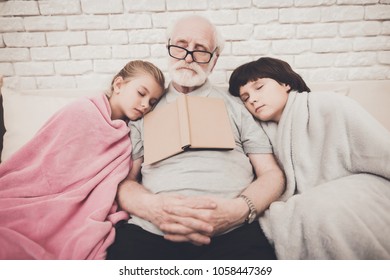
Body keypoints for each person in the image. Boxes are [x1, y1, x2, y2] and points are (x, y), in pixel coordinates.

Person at [107, 15, 285, 260]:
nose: (188, 57)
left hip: (232, 232)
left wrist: (238, 210)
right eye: (180, 45)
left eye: (200, 50)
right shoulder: (144, 107)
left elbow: (272, 174)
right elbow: (125, 182)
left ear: (214, 60)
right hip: (151, 232)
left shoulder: (239, 105)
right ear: (169, 48)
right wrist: (152, 208)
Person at [0, 60, 165, 259]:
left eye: (153, 101)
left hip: (85, 204)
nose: (146, 104)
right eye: (141, 93)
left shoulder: (131, 134)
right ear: (119, 85)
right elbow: (47, 158)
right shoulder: (83, 110)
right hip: (45, 194)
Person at [228, 57, 390, 259]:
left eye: (259, 87)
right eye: (245, 97)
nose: (252, 99)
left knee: (319, 211)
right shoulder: (259, 133)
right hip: (311, 201)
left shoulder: (329, 104)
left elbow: (381, 150)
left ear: (285, 83)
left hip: (362, 186)